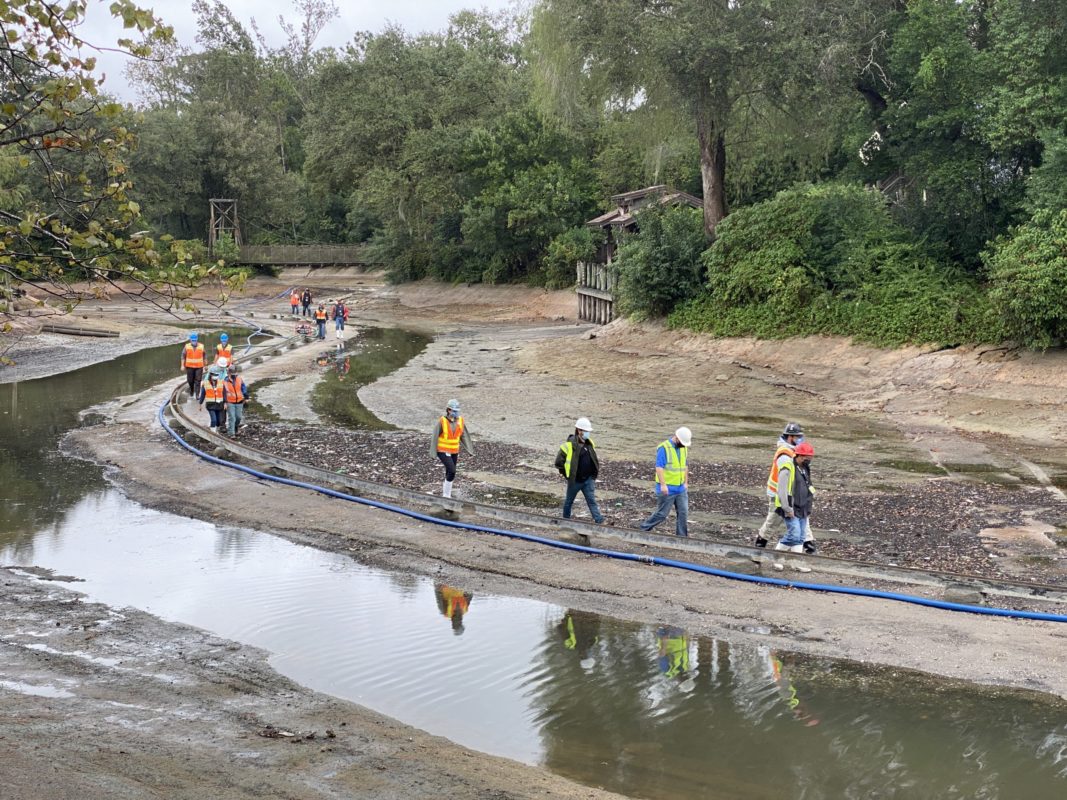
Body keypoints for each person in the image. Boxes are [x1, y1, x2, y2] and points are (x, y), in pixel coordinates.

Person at [755, 422, 805, 549]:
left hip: (789, 495)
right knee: (771, 524)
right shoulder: (785, 454)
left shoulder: (792, 451)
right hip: (778, 496)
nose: (800, 439)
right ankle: (758, 551)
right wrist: (786, 505)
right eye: (797, 437)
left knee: (801, 527)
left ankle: (804, 551)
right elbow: (783, 481)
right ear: (790, 437)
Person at [640, 427, 692, 537]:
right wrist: (663, 485)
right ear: (676, 438)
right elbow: (659, 468)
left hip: (680, 488)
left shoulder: (683, 448)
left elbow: (685, 466)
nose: (683, 445)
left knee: (683, 513)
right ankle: (643, 529)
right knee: (662, 514)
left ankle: (682, 537)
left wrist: (686, 482)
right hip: (667, 488)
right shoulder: (664, 448)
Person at [554, 417, 604, 524]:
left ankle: (599, 521)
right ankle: (566, 522)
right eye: (586, 431)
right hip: (575, 481)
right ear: (579, 431)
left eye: (588, 431)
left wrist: (592, 475)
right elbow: (558, 463)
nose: (587, 433)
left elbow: (593, 460)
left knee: (592, 501)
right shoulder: (568, 446)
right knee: (568, 502)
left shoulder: (589, 444)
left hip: (588, 480)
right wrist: (568, 474)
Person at [773, 440, 816, 560]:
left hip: (803, 508)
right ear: (800, 456)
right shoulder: (787, 468)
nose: (809, 459)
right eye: (807, 457)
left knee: (801, 537)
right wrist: (787, 508)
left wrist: (808, 507)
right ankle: (776, 557)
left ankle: (796, 563)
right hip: (791, 508)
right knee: (794, 535)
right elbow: (782, 490)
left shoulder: (805, 468)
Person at [433, 398, 473, 498]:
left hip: (454, 450)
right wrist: (433, 453)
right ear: (449, 410)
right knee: (452, 470)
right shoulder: (442, 421)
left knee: (449, 472)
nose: (456, 413)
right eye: (454, 411)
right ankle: (446, 496)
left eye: (457, 411)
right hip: (443, 450)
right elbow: (434, 436)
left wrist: (470, 450)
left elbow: (464, 435)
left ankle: (447, 494)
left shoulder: (460, 420)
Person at [222, 364, 249, 437]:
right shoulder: (225, 381)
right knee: (232, 417)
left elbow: (243, 388)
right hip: (230, 401)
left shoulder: (239, 379)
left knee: (238, 417)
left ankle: (235, 427)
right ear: (229, 373)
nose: (234, 375)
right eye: (232, 373)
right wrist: (224, 402)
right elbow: (223, 392)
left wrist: (246, 397)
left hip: (239, 401)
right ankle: (231, 433)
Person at [180, 332, 205, 400]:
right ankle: (191, 390)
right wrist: (182, 365)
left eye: (195, 340)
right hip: (189, 367)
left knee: (198, 380)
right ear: (190, 340)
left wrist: (205, 365)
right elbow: (183, 356)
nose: (194, 341)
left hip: (199, 367)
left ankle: (197, 394)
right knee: (190, 380)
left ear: (197, 340)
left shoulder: (201, 346)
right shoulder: (187, 346)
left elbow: (204, 356)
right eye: (193, 340)